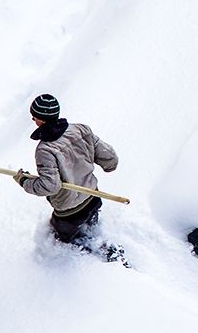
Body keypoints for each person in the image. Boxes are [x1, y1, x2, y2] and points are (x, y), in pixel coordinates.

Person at [14, 93, 120, 254]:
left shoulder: (45, 150)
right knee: (89, 226)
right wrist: (108, 166)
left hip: (69, 212)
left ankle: (104, 259)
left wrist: (24, 181)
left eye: (34, 116)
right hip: (92, 197)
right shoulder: (81, 130)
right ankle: (103, 246)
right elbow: (110, 158)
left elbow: (49, 186)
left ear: (42, 119)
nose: (33, 120)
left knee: (68, 244)